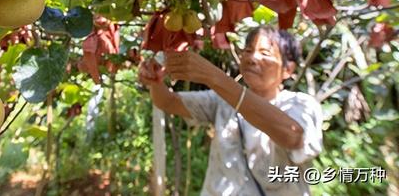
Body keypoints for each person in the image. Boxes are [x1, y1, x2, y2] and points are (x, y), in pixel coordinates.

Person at [138, 26, 323, 196]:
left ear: (288, 69)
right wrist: (156, 81)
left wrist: (215, 77)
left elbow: (292, 136)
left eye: (264, 53)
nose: (252, 58)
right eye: (248, 51)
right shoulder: (222, 100)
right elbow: (168, 102)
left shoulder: (301, 104)